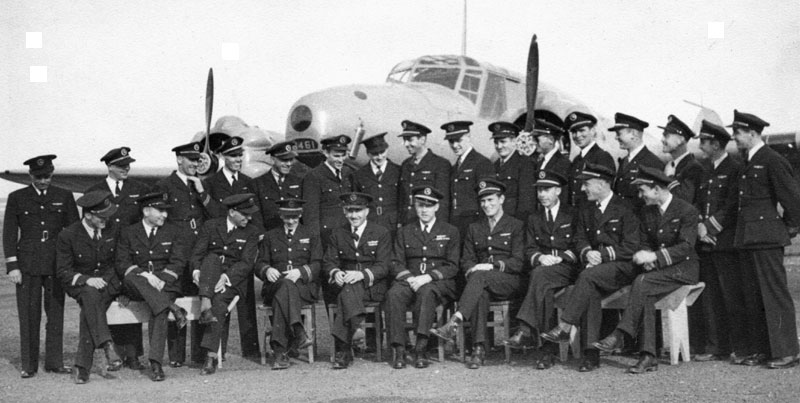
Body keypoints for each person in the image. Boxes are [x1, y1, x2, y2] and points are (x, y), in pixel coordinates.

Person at [593, 166, 700, 374]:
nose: (640, 196)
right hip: (659, 271)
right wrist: (647, 257)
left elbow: (686, 246)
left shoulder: (686, 210)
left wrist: (655, 257)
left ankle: (621, 333)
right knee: (646, 292)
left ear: (657, 189)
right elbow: (644, 242)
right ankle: (648, 355)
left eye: (643, 191)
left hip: (684, 269)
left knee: (642, 282)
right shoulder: (647, 212)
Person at [540, 163, 640, 372]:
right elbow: (579, 238)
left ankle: (565, 325)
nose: (583, 189)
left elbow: (631, 246)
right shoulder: (587, 209)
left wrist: (602, 255)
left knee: (586, 277)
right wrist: (587, 252)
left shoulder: (625, 208)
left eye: (587, 184)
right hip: (595, 271)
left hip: (621, 268)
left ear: (602, 184)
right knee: (590, 289)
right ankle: (591, 354)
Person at [730, 110, 800, 369]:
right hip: (748, 238)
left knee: (773, 295)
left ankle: (787, 351)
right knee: (754, 297)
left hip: (767, 238)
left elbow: (792, 200)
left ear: (752, 133)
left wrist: (789, 228)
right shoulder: (748, 160)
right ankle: (762, 349)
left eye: (737, 133)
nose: (734, 137)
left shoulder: (772, 159)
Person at [430, 178, 525, 369]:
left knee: (479, 277)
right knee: (479, 292)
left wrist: (491, 266)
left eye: (490, 200)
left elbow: (518, 262)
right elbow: (467, 260)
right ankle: (479, 349)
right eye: (483, 201)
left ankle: (455, 321)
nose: (486, 205)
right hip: (480, 283)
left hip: (508, 281)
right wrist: (472, 270)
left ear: (501, 199)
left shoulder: (515, 225)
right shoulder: (475, 228)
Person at [3, 154, 79, 378]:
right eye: (38, 177)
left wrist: (70, 264)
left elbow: (73, 231)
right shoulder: (17, 197)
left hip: (56, 264)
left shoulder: (64, 196)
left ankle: (55, 362)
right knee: (29, 314)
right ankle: (29, 365)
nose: (43, 180)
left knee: (55, 313)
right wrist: (12, 266)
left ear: (52, 173)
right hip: (27, 264)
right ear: (30, 175)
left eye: (47, 176)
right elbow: (9, 234)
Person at [505, 170, 578, 370]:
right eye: (539, 191)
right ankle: (547, 351)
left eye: (546, 190)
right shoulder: (534, 218)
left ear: (558, 191)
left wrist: (560, 257)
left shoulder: (572, 214)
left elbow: (580, 244)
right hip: (544, 270)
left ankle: (526, 329)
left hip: (567, 268)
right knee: (542, 286)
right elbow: (530, 248)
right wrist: (541, 257)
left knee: (539, 277)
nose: (542, 195)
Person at [85, 146, 148, 370]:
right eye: (121, 166)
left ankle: (133, 356)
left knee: (129, 302)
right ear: (109, 166)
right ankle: (110, 354)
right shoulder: (95, 190)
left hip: (130, 255)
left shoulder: (138, 189)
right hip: (104, 257)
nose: (126, 168)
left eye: (128, 164)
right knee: (103, 302)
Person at [115, 192, 189, 381]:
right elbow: (122, 264)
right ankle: (170, 306)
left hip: (165, 284)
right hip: (139, 284)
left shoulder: (175, 231)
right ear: (146, 211)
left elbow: (178, 262)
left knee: (159, 310)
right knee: (133, 278)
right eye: (160, 211)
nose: (164, 215)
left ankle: (155, 363)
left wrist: (162, 278)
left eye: (166, 211)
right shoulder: (128, 232)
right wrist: (145, 275)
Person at [386, 186, 460, 369]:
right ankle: (400, 348)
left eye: (429, 205)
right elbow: (395, 262)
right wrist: (410, 278)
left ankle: (421, 347)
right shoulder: (404, 231)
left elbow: (452, 266)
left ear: (437, 207)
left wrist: (428, 277)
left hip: (438, 282)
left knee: (426, 293)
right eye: (420, 205)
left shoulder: (450, 231)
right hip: (409, 280)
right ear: (415, 207)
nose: (424, 210)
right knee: (393, 295)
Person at [153, 141, 212, 367]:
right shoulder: (164, 185)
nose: (195, 164)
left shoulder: (200, 186)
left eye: (198, 160)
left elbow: (215, 214)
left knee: (198, 299)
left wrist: (201, 190)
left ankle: (198, 354)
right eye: (191, 160)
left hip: (199, 251)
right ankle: (176, 356)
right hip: (176, 251)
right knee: (175, 298)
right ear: (179, 159)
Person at [202, 135, 261, 360]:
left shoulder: (249, 181)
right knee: (220, 298)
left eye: (239, 155)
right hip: (221, 245)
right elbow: (212, 215)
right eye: (232, 155)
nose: (238, 159)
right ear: (221, 157)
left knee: (246, 303)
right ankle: (220, 350)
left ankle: (251, 349)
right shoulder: (211, 183)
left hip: (243, 246)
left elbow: (255, 215)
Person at [56, 191, 124, 384]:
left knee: (90, 307)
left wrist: (104, 279)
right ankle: (107, 344)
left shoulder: (113, 229)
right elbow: (63, 270)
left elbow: (117, 261)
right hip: (80, 284)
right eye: (102, 216)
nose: (107, 219)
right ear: (87, 215)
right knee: (89, 293)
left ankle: (82, 366)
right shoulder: (68, 234)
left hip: (108, 283)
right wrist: (86, 279)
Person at [692, 120, 746, 362]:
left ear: (715, 143)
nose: (700, 144)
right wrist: (700, 227)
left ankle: (739, 345)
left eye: (704, 140)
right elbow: (697, 202)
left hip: (725, 242)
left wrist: (711, 227)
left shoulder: (735, 169)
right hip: (706, 242)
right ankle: (716, 345)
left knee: (731, 294)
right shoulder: (704, 169)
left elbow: (732, 205)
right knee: (711, 295)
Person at [191, 193, 261, 375]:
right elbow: (197, 254)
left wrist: (226, 278)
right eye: (245, 214)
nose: (249, 218)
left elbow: (246, 263)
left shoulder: (251, 232)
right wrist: (196, 272)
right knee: (212, 259)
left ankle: (210, 355)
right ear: (232, 212)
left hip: (232, 282)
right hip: (207, 277)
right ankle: (212, 355)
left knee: (219, 303)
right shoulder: (211, 226)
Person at [322, 192, 391, 369]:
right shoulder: (337, 233)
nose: (354, 215)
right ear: (344, 212)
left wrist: (362, 275)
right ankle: (349, 342)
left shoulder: (381, 232)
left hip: (372, 286)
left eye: (358, 210)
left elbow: (384, 265)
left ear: (367, 211)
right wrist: (335, 272)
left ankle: (343, 349)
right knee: (347, 289)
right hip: (346, 284)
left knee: (347, 291)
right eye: (350, 211)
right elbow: (329, 261)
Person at [255, 198, 321, 369]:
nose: (290, 221)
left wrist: (300, 272)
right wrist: (267, 270)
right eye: (286, 217)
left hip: (302, 288)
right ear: (280, 216)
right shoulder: (270, 236)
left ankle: (279, 352)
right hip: (275, 285)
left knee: (283, 295)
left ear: (300, 215)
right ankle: (298, 332)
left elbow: (318, 263)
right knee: (284, 286)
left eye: (294, 217)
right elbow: (259, 264)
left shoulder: (311, 234)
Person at [442, 121, 494, 236]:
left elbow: (487, 199)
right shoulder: (455, 166)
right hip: (456, 225)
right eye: (451, 141)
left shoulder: (482, 163)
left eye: (458, 140)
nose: (455, 145)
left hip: (474, 225)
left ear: (468, 137)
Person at [302, 134, 354, 243]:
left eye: (343, 155)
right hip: (326, 237)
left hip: (347, 234)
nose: (340, 160)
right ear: (326, 153)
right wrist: (315, 244)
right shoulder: (314, 176)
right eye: (336, 156)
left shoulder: (347, 173)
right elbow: (311, 215)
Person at [397, 120, 451, 224]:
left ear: (422, 139)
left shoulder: (440, 164)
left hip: (427, 225)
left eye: (410, 140)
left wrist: (439, 230)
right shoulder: (405, 164)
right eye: (404, 140)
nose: (406, 144)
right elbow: (402, 200)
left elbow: (443, 203)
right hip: (407, 225)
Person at [611, 113, 665, 215]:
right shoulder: (624, 161)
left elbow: (655, 203)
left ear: (634, 134)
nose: (615, 138)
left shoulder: (652, 163)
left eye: (619, 133)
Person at [350, 133, 401, 234]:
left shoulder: (398, 171)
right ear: (368, 154)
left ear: (387, 150)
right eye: (375, 154)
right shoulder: (359, 175)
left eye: (382, 152)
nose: (380, 157)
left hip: (393, 226)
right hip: (370, 225)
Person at [565, 112, 616, 208]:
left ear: (592, 131)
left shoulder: (602, 157)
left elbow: (604, 192)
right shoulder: (577, 160)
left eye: (582, 130)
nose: (577, 135)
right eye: (574, 132)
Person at [254, 140, 303, 232]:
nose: (288, 164)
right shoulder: (257, 184)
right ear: (272, 159)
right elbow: (256, 216)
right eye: (284, 160)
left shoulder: (300, 182)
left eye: (291, 159)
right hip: (269, 237)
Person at [659, 115, 704, 203]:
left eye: (666, 136)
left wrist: (670, 178)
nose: (662, 140)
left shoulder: (693, 168)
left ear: (681, 139)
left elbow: (684, 201)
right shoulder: (670, 166)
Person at [490, 122, 526, 219]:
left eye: (503, 141)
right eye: (496, 142)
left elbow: (526, 203)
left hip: (515, 222)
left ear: (514, 141)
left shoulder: (524, 163)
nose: (499, 146)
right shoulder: (494, 165)